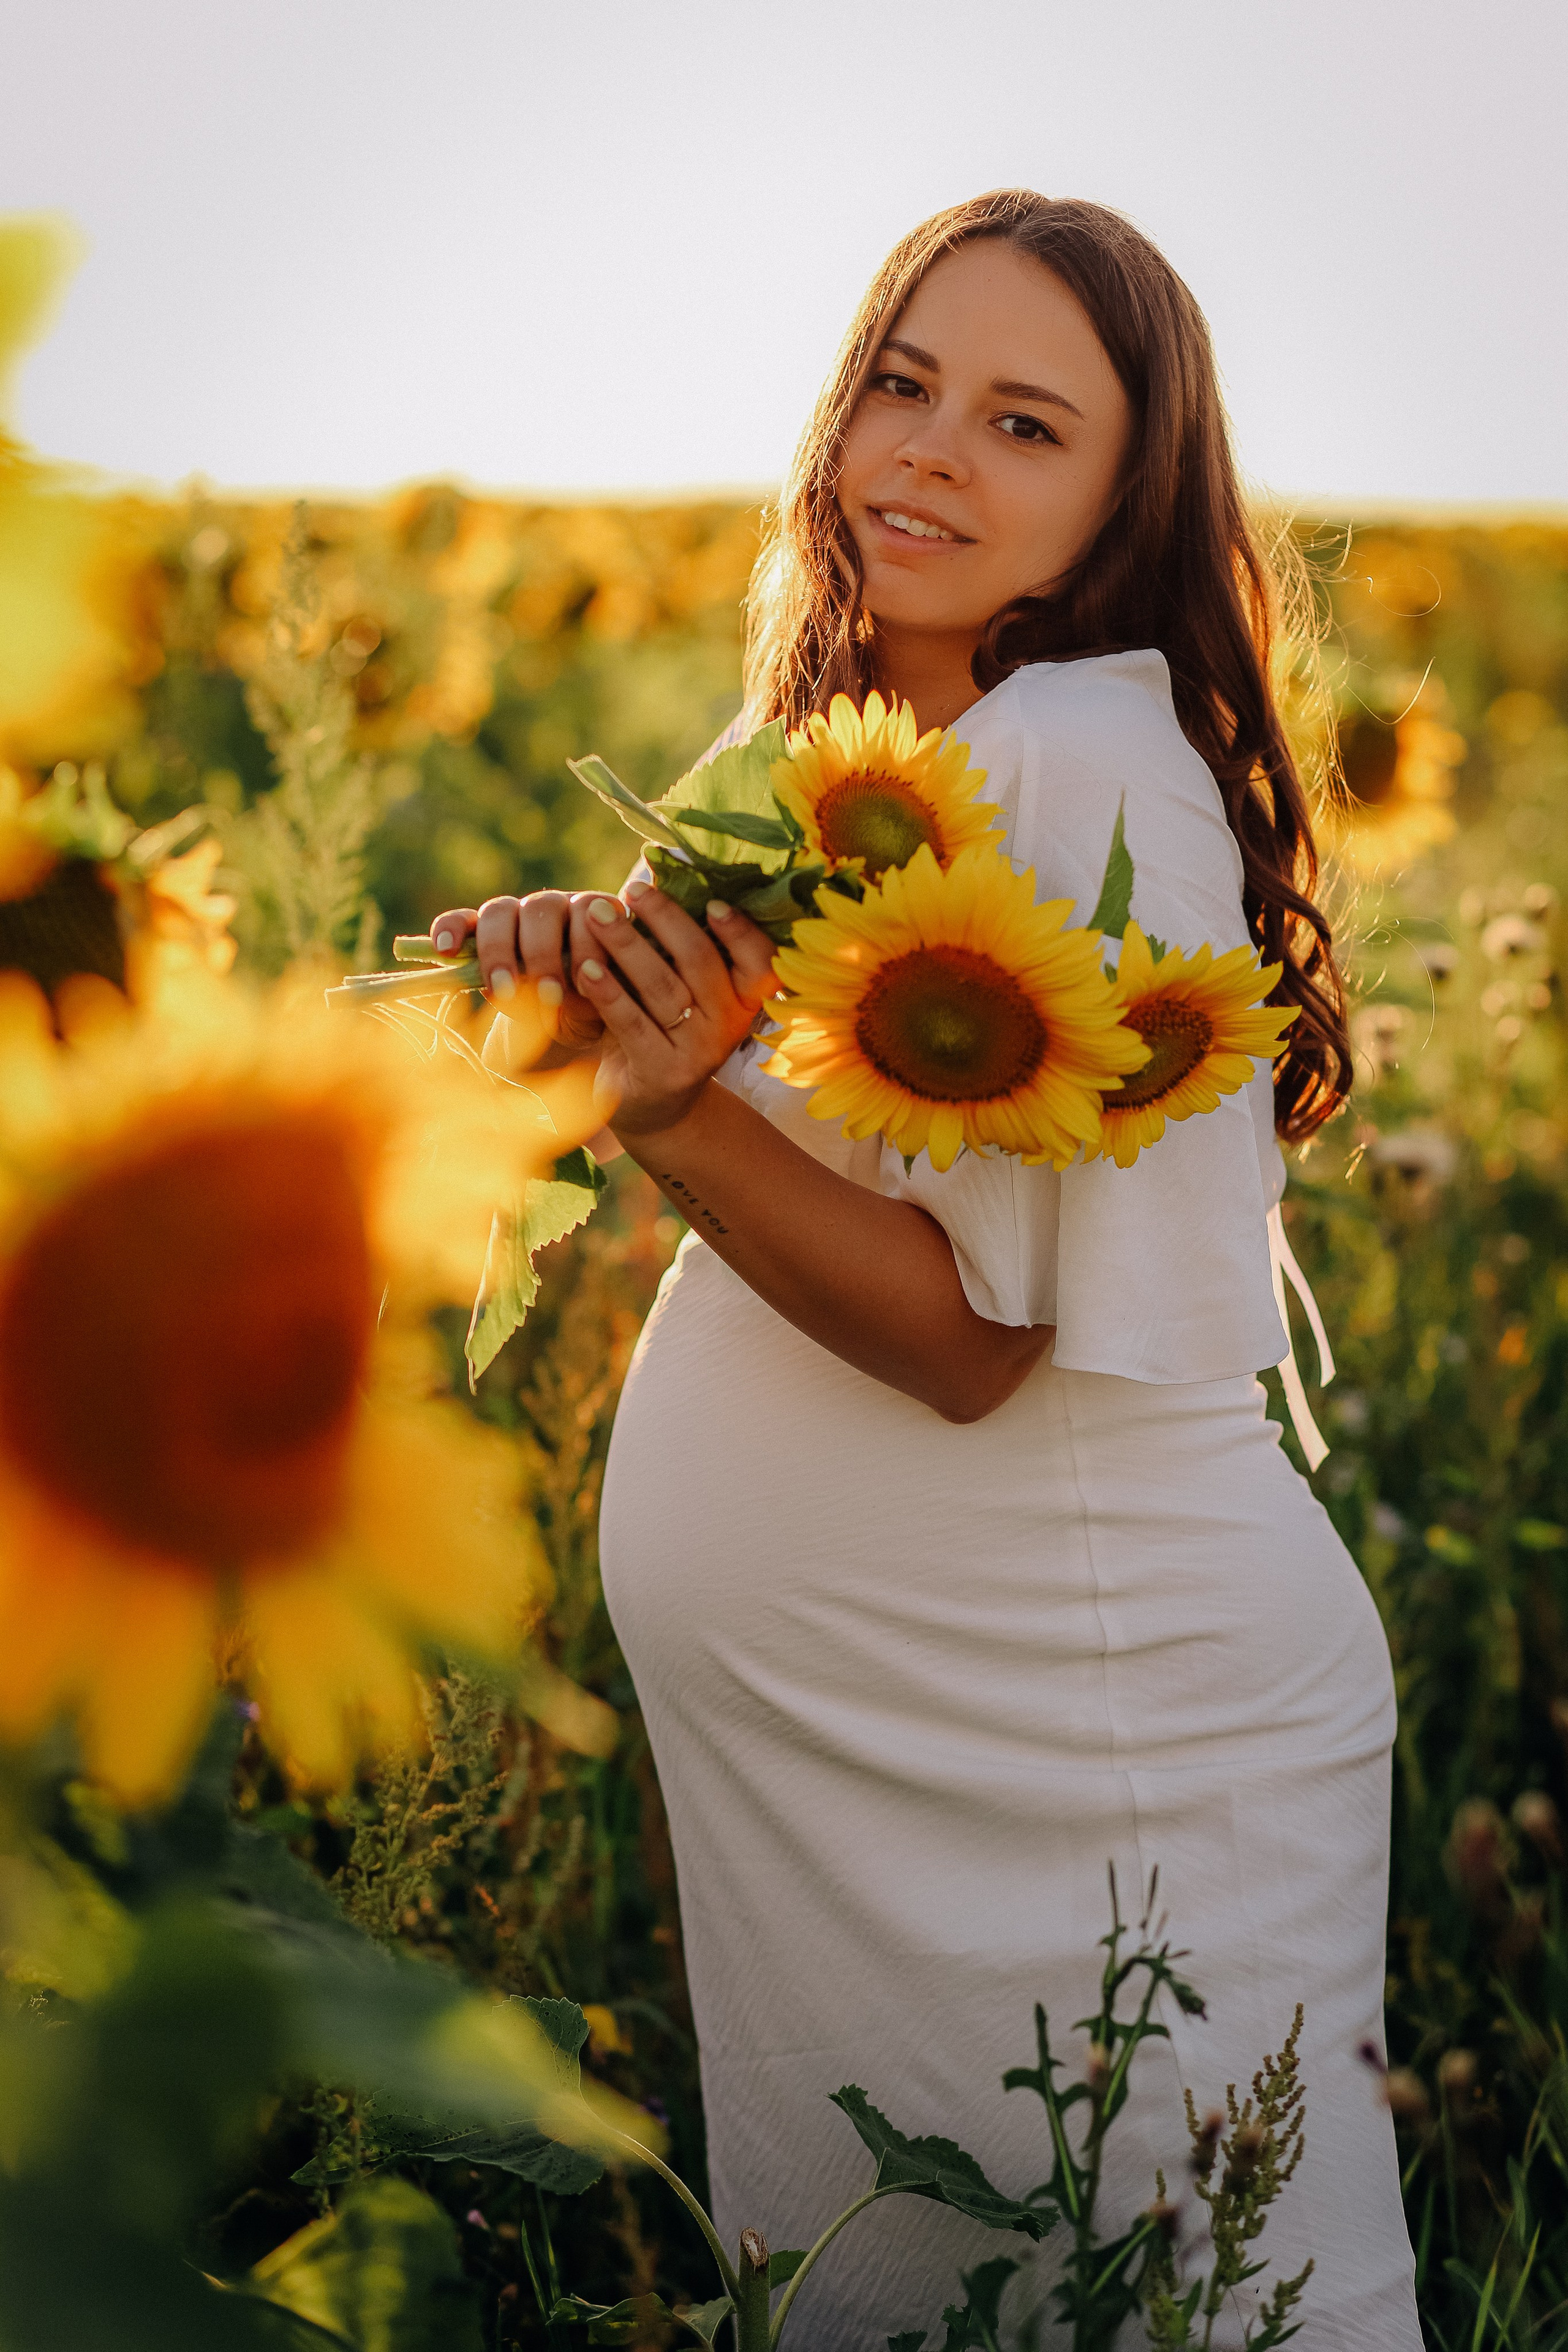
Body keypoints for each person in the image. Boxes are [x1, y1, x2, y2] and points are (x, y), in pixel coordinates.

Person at [430, 192, 1420, 2350]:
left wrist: (674, 1108)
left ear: (1117, 505)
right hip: (924, 1749)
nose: (930, 452)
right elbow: (614, 1074)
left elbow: (982, 1357)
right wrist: (560, 987)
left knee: (1175, 2300)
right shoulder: (845, 759)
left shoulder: (1069, 768)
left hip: (1075, 1750)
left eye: (1023, 421)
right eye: (902, 380)